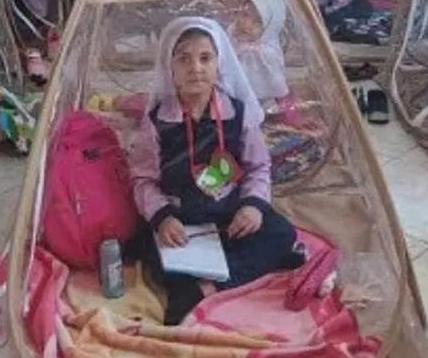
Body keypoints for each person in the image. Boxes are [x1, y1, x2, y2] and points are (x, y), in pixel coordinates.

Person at [127, 17, 308, 325]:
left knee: (280, 232)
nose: (195, 67)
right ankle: (229, 271)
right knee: (148, 249)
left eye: (205, 58)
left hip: (229, 216)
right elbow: (143, 180)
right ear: (170, 68)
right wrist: (163, 218)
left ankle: (205, 286)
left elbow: (258, 167)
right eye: (183, 58)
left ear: (218, 65)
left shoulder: (238, 114)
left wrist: (252, 208)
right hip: (182, 220)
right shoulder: (157, 121)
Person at [230, 0, 301, 125]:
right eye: (244, 15)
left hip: (261, 98)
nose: (246, 24)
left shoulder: (266, 52)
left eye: (257, 22)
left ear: (270, 26)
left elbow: (277, 84)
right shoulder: (232, 35)